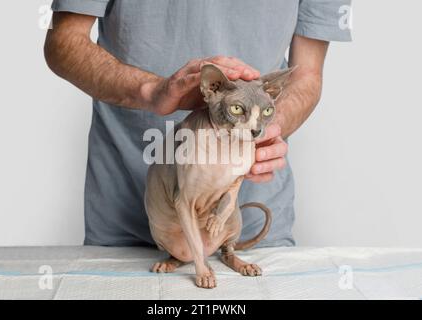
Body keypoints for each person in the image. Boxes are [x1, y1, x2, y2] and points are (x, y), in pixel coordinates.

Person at [44, 0, 351, 247]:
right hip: (125, 221)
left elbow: (307, 74)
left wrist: (269, 128)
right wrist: (152, 91)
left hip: (245, 229)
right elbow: (63, 41)